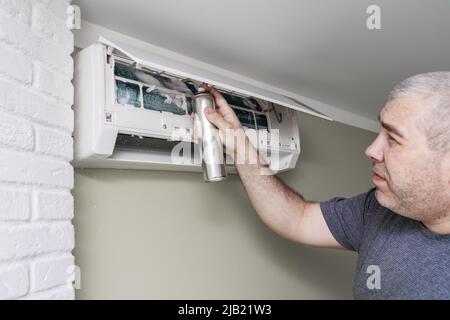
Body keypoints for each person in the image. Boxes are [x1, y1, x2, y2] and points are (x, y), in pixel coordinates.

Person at [201, 71, 450, 299]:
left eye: (393, 139)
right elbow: (296, 219)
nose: (371, 149)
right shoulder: (381, 209)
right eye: (380, 132)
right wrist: (240, 147)